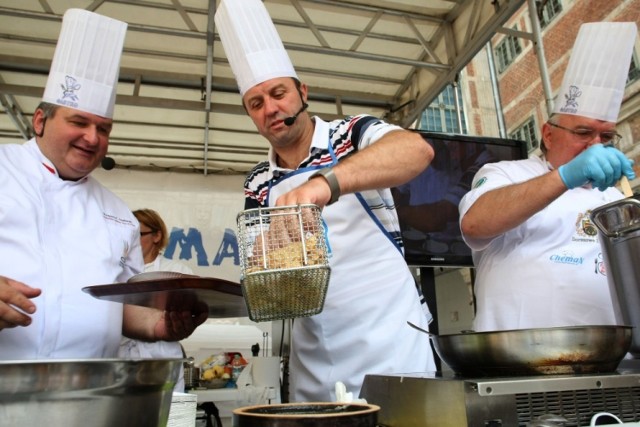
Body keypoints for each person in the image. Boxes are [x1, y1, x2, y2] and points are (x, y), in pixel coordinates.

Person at [215, 0, 436, 402]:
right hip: (313, 356)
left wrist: (321, 186)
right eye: (256, 103)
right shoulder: (259, 182)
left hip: (390, 343)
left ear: (302, 92)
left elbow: (415, 150)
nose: (271, 109)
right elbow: (267, 276)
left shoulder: (349, 136)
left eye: (278, 93)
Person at [0, 9, 207, 360]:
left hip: (89, 397)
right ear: (39, 121)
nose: (92, 137)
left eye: (104, 128)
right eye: (78, 122)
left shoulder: (118, 214)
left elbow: (119, 308)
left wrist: (158, 326)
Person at [458, 22, 637, 332]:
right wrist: (566, 177)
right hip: (519, 358)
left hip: (611, 357)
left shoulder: (614, 196)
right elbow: (475, 225)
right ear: (549, 135)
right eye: (583, 132)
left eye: (606, 136)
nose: (595, 145)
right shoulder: (507, 173)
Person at [119, 208, 194, 393]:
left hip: (163, 358)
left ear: (157, 236)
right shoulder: (117, 272)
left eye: (139, 234)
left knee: (168, 418)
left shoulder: (176, 271)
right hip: (121, 360)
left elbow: (191, 310)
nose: (132, 241)